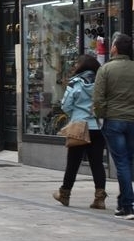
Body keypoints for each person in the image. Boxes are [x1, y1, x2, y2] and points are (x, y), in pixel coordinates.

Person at [53, 54, 107, 209]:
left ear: (81, 67)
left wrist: (76, 113)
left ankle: (65, 194)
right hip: (97, 126)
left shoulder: (75, 82)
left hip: (79, 126)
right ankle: (99, 198)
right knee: (97, 163)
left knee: (73, 163)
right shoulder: (101, 82)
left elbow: (65, 105)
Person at [93, 33, 134, 219]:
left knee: (122, 163)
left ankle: (128, 205)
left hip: (114, 120)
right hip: (132, 121)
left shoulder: (106, 69)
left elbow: (99, 98)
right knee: (129, 161)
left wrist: (100, 117)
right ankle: (123, 202)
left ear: (115, 48)